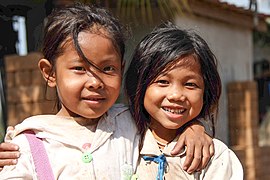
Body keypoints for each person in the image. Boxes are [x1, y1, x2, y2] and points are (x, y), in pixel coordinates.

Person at [0, 3, 214, 179]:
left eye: (107, 69)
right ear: (50, 73)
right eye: (79, 69)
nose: (95, 82)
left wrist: (194, 129)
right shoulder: (28, 146)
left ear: (121, 68)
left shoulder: (131, 123)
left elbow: (168, 120)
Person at [124, 23, 243, 179]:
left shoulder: (215, 157)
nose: (176, 95)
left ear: (206, 91)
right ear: (139, 83)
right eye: (163, 82)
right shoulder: (120, 136)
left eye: (190, 84)